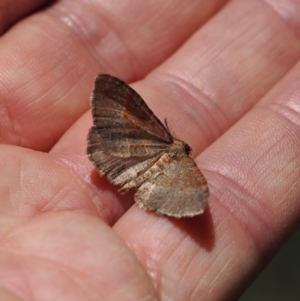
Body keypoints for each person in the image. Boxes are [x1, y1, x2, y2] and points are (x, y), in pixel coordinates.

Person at [0, 0, 299, 300]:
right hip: (150, 175)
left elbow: (195, 200)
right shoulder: (187, 168)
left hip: (125, 161)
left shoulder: (174, 153)